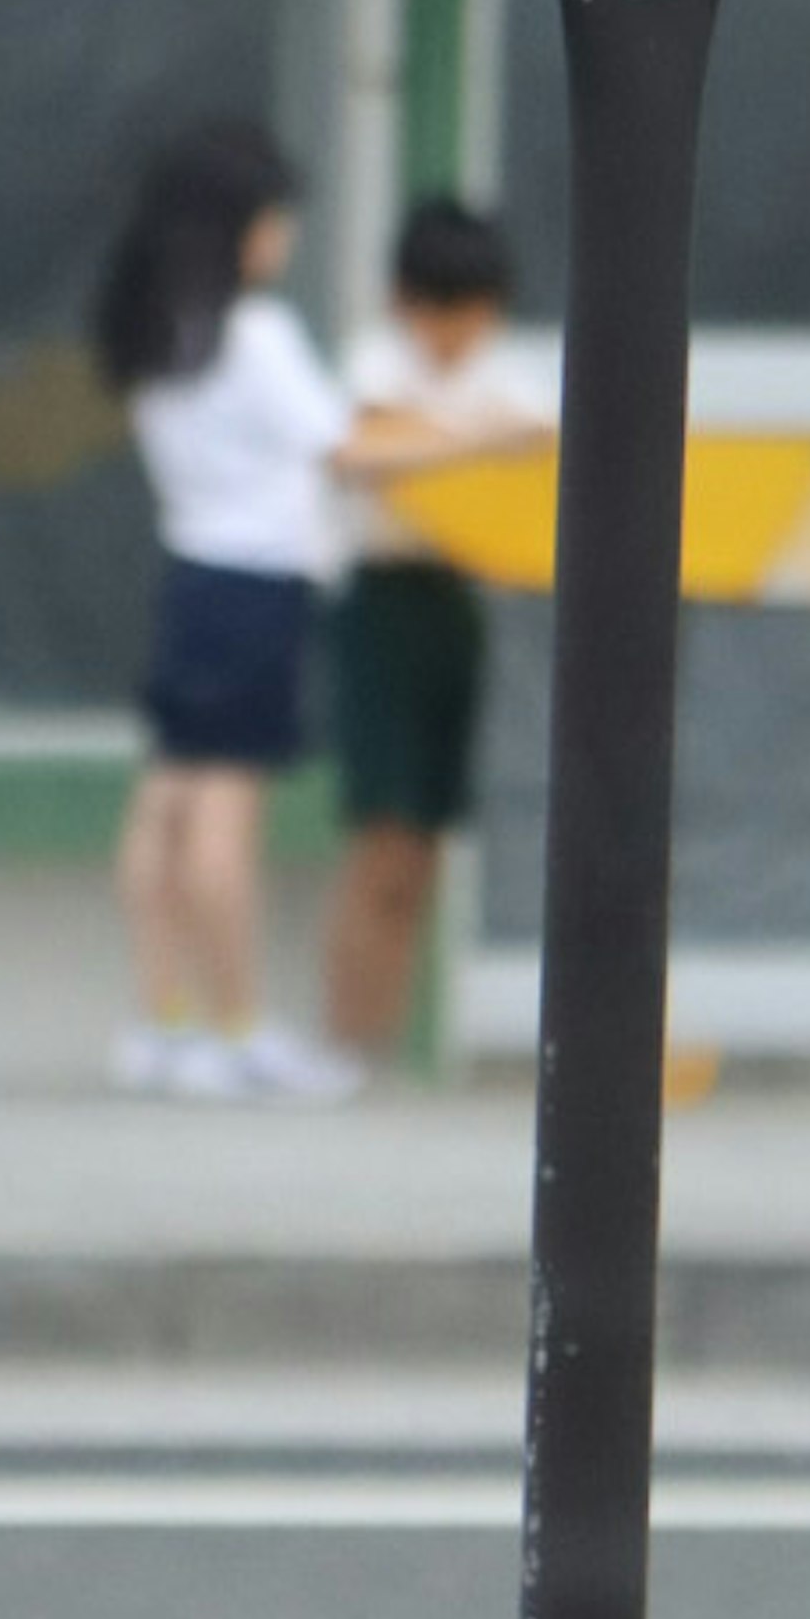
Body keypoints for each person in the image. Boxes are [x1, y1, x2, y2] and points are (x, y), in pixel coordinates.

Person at [94, 119, 364, 1100]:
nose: (284, 235)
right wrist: (499, 440)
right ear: (239, 227)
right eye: (275, 217)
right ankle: (240, 1029)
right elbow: (346, 450)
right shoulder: (255, 334)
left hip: (192, 577)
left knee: (164, 803)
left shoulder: (156, 331)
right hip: (255, 588)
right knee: (222, 818)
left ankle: (164, 1022)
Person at [320, 193, 538, 1063]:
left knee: (425, 849)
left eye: (474, 313)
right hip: (382, 601)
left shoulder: (504, 377)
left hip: (457, 602)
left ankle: (382, 1043)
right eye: (441, 311)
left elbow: (541, 444)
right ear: (403, 302)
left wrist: (470, 439)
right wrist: (478, 442)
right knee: (383, 836)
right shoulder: (377, 365)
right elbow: (361, 450)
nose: (456, 334)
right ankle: (345, 1041)